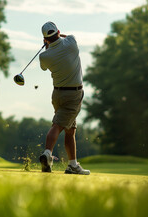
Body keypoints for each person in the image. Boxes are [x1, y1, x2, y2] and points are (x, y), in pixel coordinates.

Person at [38, 21, 90, 175]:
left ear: (45, 39)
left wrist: (47, 45)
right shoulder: (71, 42)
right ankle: (47, 154)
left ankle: (72, 165)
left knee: (70, 129)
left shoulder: (44, 56)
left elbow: (44, 67)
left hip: (57, 95)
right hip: (73, 95)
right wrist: (55, 38)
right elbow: (65, 37)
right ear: (58, 31)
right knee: (58, 125)